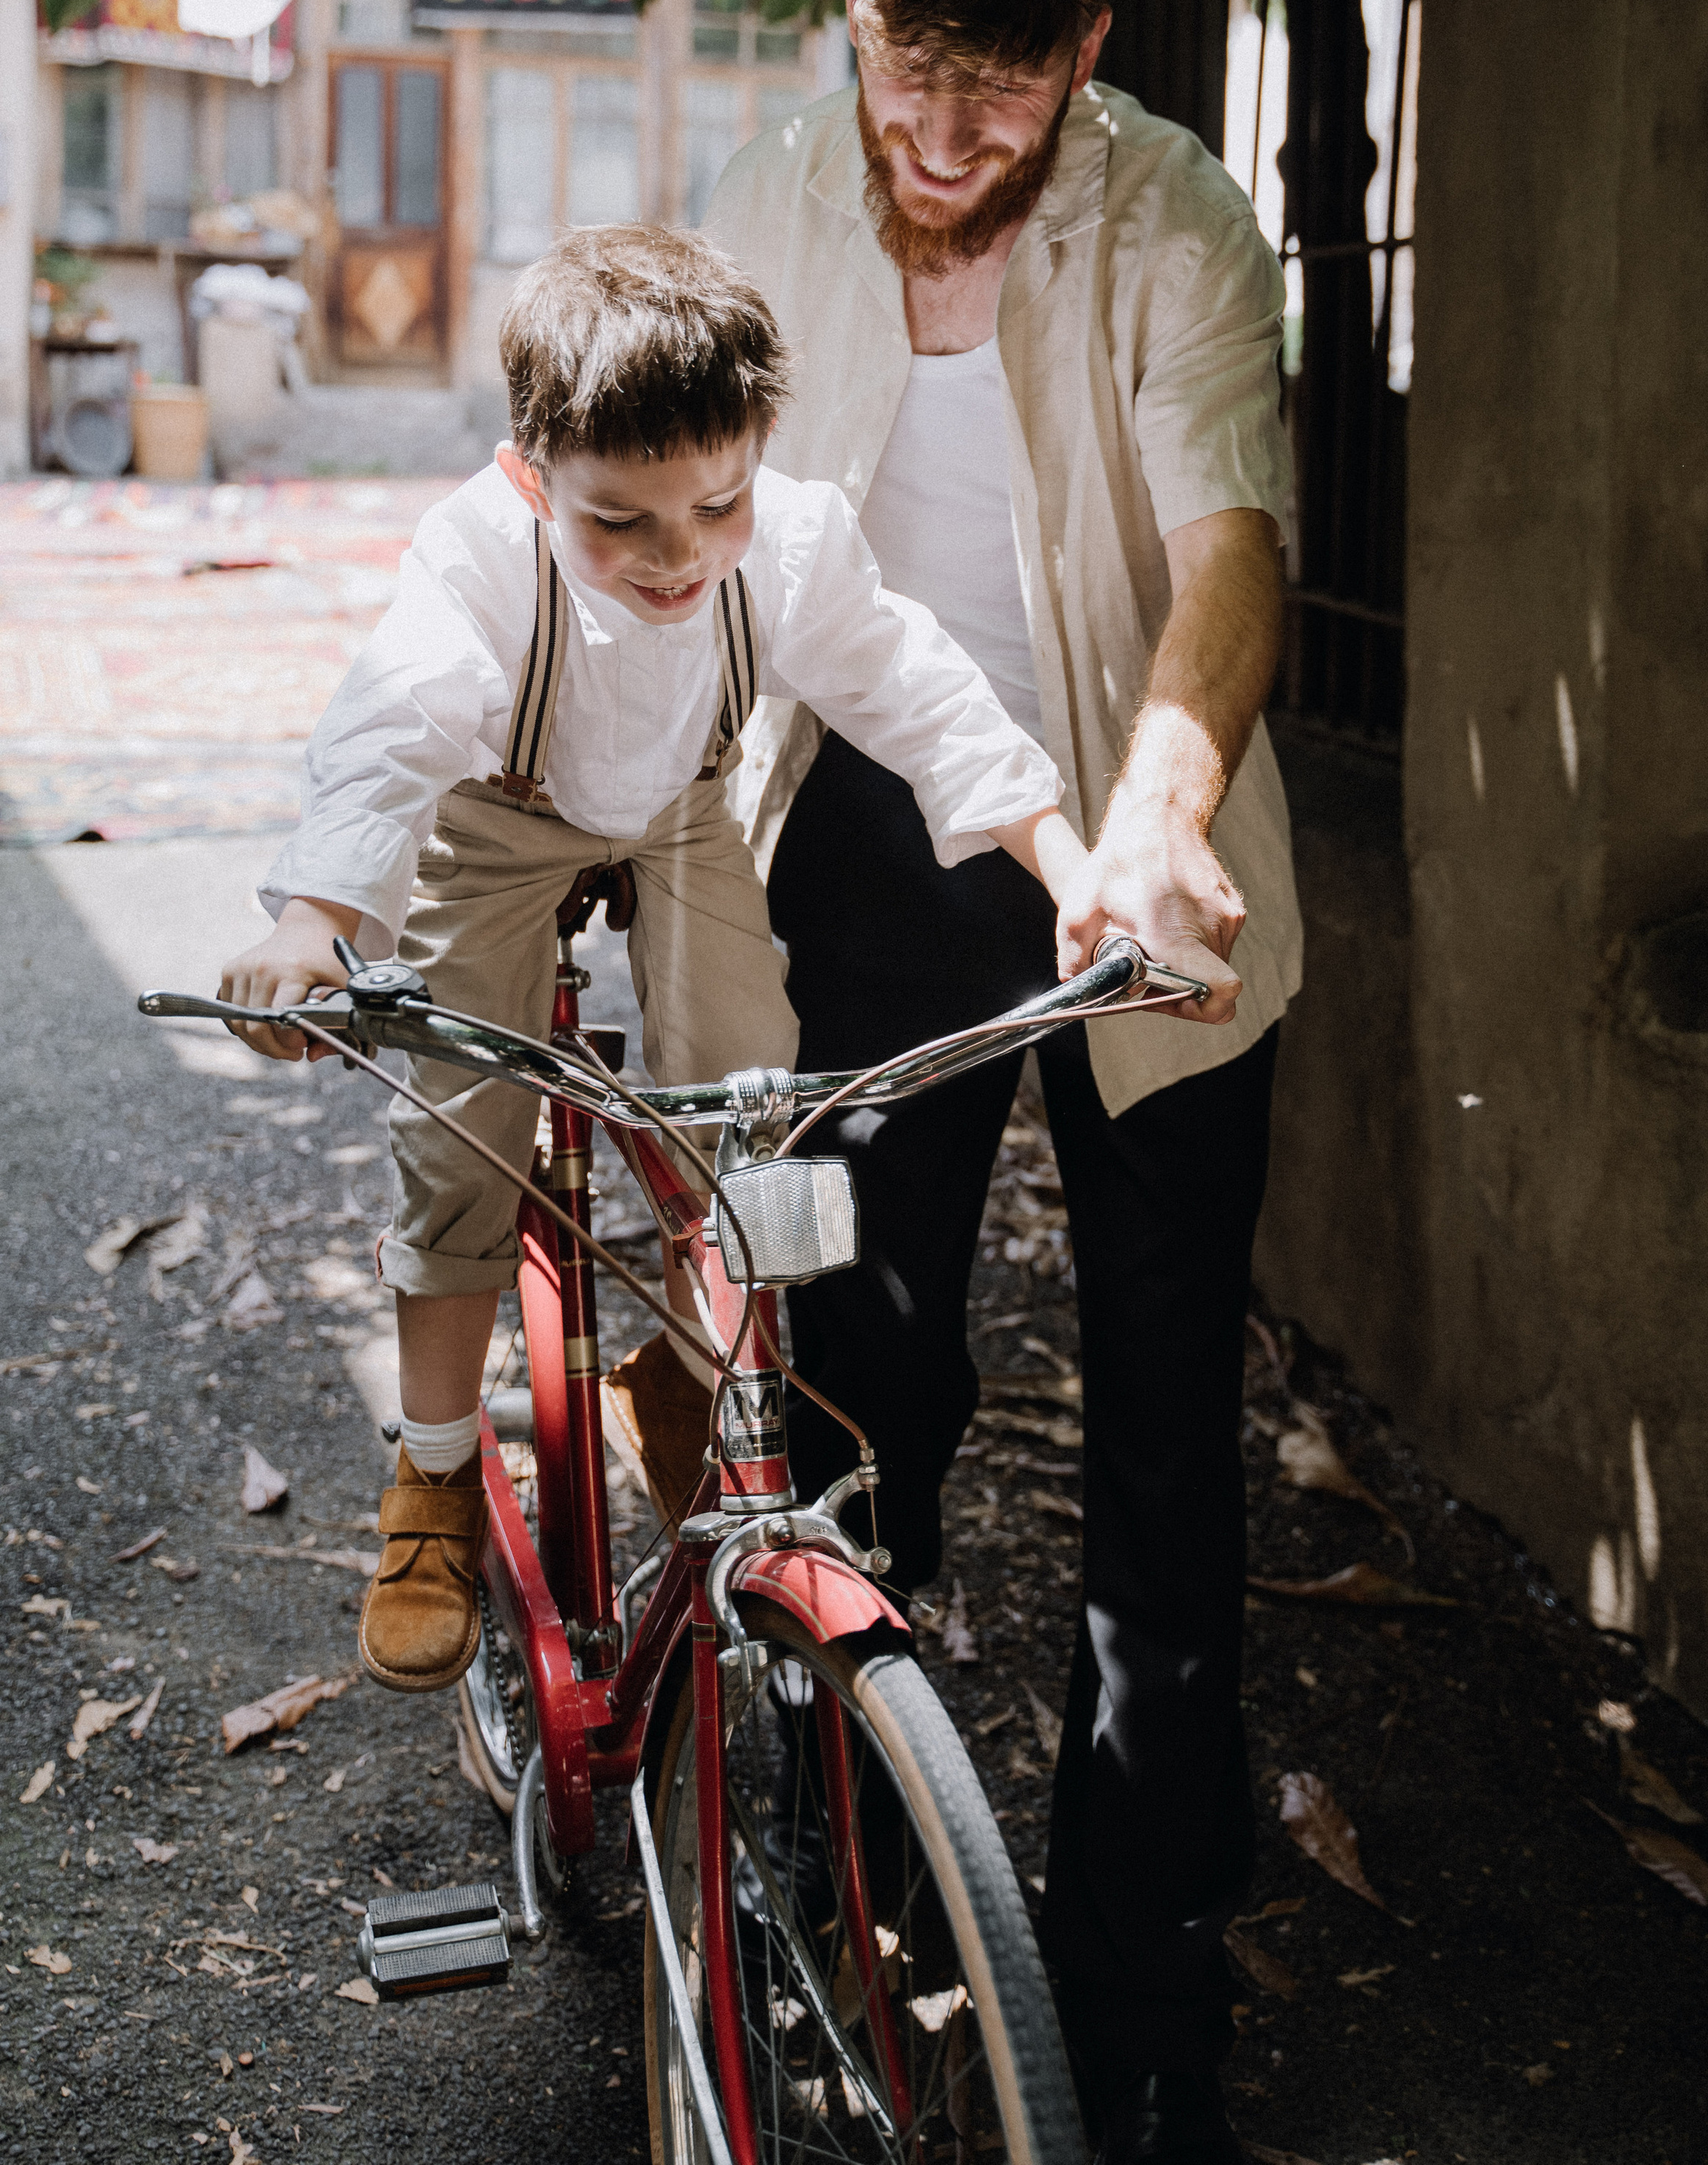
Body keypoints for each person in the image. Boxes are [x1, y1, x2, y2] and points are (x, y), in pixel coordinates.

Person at [703, 0, 1303, 2165]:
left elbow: (1233, 538)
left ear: (1087, 47)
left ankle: (1146, 2004)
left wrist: (1156, 808)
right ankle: (861, 1876)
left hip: (1152, 857)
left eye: (1005, 94)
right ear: (852, 7)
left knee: (1169, 1439)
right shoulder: (760, 199)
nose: (943, 142)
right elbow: (670, 521)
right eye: (904, 77)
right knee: (866, 1387)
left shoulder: (1177, 219)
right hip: (860, 846)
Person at [219, 223, 1094, 1699]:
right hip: (501, 817)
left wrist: (1073, 875)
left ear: (760, 452)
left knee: (754, 1102)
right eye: (617, 522)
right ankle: (432, 1473)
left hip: (680, 808)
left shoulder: (795, 544)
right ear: (531, 477)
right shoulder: (482, 560)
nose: (677, 556)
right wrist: (315, 924)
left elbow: (921, 694)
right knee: (461, 1118)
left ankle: (708, 1384)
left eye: (717, 503)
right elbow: (392, 735)